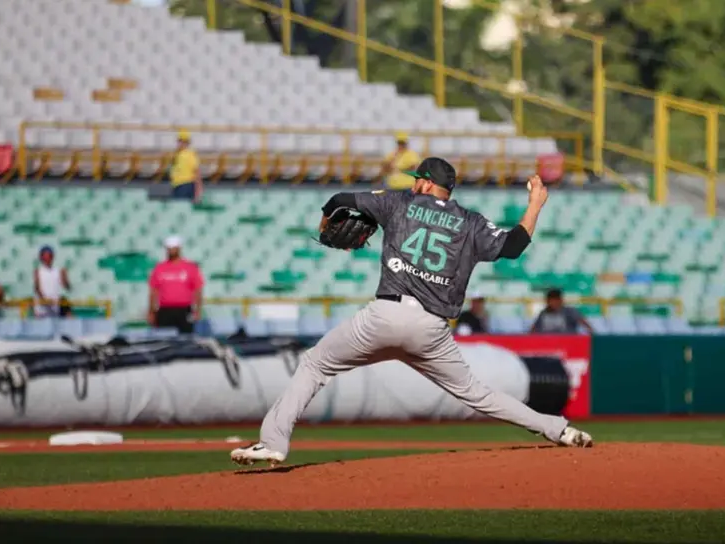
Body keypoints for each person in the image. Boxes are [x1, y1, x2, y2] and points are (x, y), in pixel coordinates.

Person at [231, 158, 592, 466]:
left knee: (314, 365)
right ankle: (558, 429)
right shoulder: (471, 222)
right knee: (477, 394)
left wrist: (325, 225)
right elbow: (513, 246)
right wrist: (535, 204)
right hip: (431, 329)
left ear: (426, 183)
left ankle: (273, 443)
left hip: (384, 316)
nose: (414, 183)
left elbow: (338, 199)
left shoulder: (399, 202)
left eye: (417, 178)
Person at [147, 235, 204, 335]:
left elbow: (197, 290)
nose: (171, 251)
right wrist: (151, 311)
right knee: (164, 338)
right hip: (165, 310)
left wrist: (198, 310)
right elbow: (153, 291)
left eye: (173, 248)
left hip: (184, 309)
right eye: (169, 248)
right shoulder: (159, 268)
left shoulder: (190, 267)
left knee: (186, 337)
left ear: (178, 249)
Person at [33, 246, 71, 318]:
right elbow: (37, 288)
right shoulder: (38, 271)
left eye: (50, 256)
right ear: (41, 258)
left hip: (54, 307)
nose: (48, 258)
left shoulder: (58, 271)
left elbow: (67, 287)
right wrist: (45, 301)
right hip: (42, 309)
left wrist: (65, 278)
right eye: (45, 256)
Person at [170, 130, 203, 202]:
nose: (181, 143)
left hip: (186, 185)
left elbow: (197, 172)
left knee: (181, 205)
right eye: (180, 141)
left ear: (187, 142)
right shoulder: (177, 154)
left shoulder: (190, 154)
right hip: (176, 185)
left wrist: (198, 190)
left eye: (183, 141)